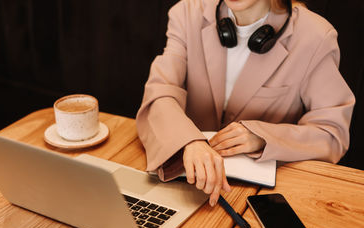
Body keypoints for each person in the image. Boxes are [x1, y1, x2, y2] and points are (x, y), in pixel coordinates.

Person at [136, 0, 355, 207]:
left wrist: (263, 137)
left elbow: (332, 134)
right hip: (187, 185)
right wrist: (189, 142)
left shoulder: (315, 36)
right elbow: (159, 94)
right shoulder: (187, 12)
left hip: (262, 197)